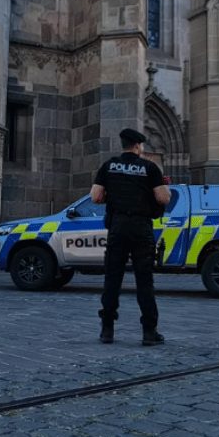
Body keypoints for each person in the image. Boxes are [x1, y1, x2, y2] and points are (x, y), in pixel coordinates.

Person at [91, 128, 171, 346]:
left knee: (112, 278)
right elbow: (163, 198)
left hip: (117, 226)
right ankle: (149, 332)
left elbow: (95, 197)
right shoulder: (149, 168)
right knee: (144, 280)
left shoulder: (109, 166)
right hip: (140, 227)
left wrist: (113, 196)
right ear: (137, 146)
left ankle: (107, 330)